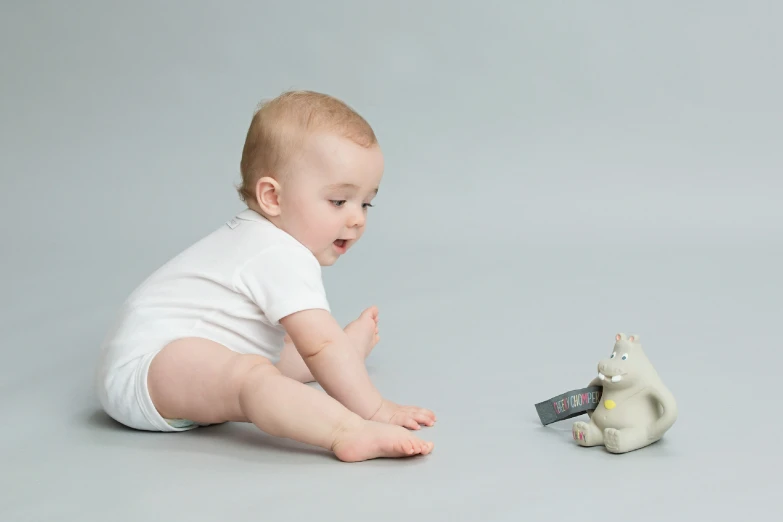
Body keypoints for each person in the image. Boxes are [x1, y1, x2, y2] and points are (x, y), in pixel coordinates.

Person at [95, 90, 436, 462]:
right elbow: (319, 344)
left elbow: (309, 345)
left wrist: (335, 355)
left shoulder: (261, 238)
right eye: (339, 201)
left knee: (274, 353)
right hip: (144, 373)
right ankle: (346, 431)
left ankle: (345, 361)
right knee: (255, 374)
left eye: (366, 203)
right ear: (272, 197)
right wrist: (376, 410)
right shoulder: (276, 251)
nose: (356, 219)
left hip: (181, 367)